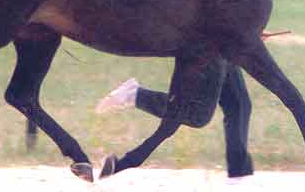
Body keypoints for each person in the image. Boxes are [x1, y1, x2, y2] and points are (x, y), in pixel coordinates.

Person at [96, 63, 254, 180]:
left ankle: (239, 173)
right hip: (212, 36)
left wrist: (245, 30)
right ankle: (135, 95)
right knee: (198, 115)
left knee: (238, 103)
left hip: (223, 34)